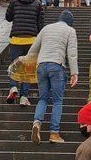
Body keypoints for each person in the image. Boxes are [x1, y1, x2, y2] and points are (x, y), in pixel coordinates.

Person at [28, 9, 78, 145]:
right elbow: (72, 53)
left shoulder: (46, 28)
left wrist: (28, 63)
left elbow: (33, 49)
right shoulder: (70, 31)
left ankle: (37, 122)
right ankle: (54, 133)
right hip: (57, 66)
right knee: (57, 101)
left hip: (41, 65)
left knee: (43, 98)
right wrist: (74, 73)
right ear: (70, 23)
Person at [5, 0, 44, 105]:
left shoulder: (14, 1)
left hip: (16, 39)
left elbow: (8, 17)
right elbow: (40, 24)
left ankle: (13, 87)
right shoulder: (37, 3)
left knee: (15, 65)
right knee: (28, 69)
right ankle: (24, 97)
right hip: (31, 40)